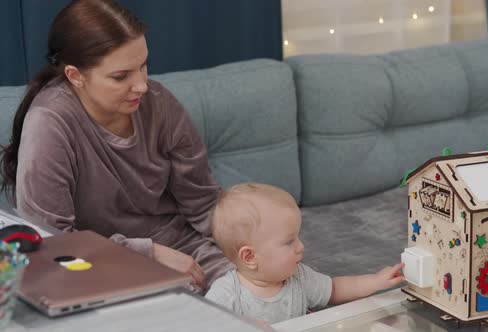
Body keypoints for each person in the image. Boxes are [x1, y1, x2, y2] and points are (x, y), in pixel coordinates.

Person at [0, 0, 232, 292]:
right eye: (121, 76)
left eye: (143, 66)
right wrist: (150, 253)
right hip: (94, 263)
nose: (142, 86)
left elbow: (203, 204)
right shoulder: (49, 124)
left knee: (262, 293)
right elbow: (52, 243)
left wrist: (255, 244)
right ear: (76, 76)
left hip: (184, 249)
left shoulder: (158, 104)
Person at [205, 183, 405, 324]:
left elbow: (334, 289)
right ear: (250, 257)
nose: (301, 246)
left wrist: (374, 281)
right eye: (289, 241)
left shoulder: (298, 277)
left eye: (297, 237)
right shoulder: (226, 296)